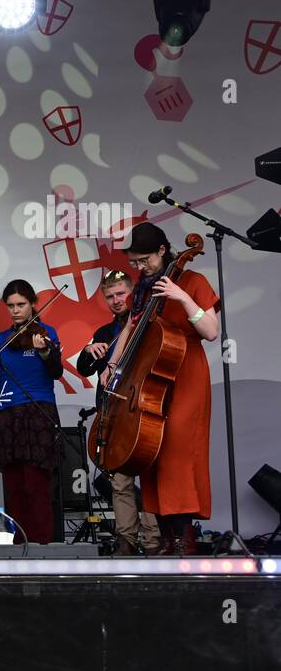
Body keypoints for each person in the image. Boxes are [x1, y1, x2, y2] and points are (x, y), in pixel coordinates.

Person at [101, 223, 220, 555]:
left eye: (143, 261)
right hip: (152, 380)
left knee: (178, 455)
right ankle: (167, 538)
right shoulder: (144, 289)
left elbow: (210, 330)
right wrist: (114, 363)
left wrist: (181, 297)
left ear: (162, 251)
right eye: (135, 263)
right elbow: (132, 326)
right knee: (152, 453)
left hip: (186, 377)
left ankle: (185, 536)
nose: (139, 268)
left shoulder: (193, 281)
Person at [0, 280, 64, 545]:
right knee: (14, 485)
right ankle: (20, 544)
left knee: (36, 484)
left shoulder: (46, 333)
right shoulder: (1, 339)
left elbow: (56, 371)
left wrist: (44, 350)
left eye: (21, 305)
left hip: (37, 412)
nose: (15, 310)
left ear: (33, 304)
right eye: (10, 306)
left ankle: (42, 544)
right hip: (8, 414)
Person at [77, 270, 161, 555]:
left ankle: (153, 540)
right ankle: (126, 539)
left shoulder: (151, 324)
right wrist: (89, 350)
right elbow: (84, 369)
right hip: (113, 414)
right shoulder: (105, 332)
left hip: (142, 410)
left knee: (149, 478)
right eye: (110, 297)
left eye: (120, 294)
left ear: (132, 292)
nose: (115, 301)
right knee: (120, 481)